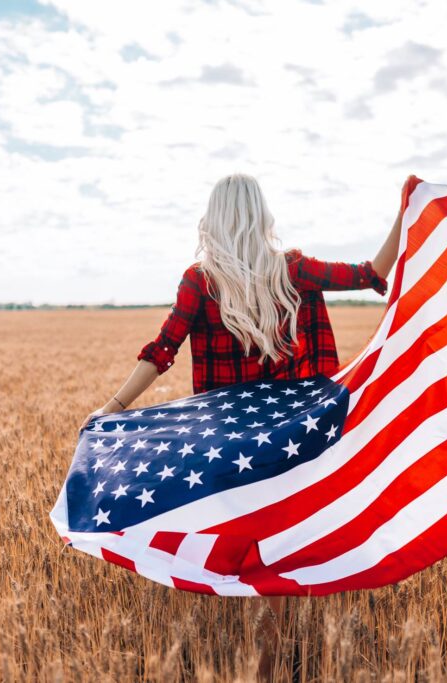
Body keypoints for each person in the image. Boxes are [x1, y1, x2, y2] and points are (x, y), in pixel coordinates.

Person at [80, 172, 404, 680]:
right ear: (260, 215)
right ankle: (275, 656)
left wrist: (113, 407)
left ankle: (251, 646)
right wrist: (405, 211)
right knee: (281, 532)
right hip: (296, 431)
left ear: (214, 219)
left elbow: (162, 349)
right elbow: (372, 272)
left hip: (230, 439)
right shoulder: (291, 269)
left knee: (238, 529)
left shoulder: (200, 280)